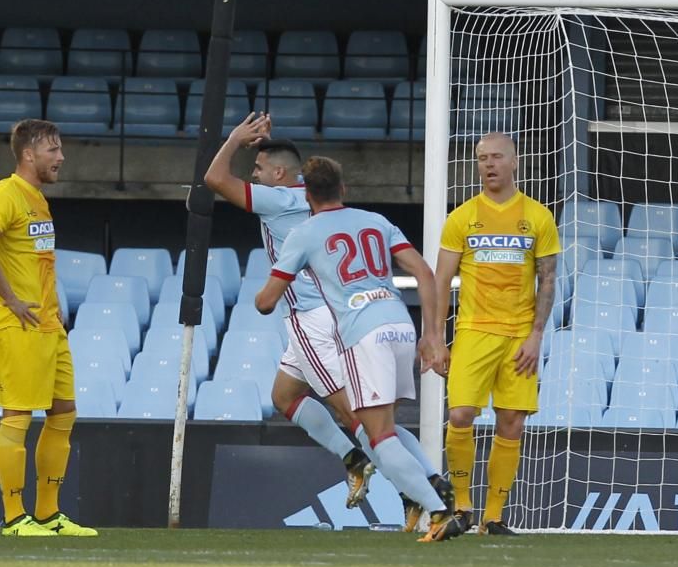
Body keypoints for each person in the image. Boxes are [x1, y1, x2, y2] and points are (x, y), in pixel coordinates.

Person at [206, 113, 449, 514]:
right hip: (335, 316)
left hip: (311, 320)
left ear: (280, 172)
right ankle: (356, 460)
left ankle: (425, 485)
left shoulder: (280, 198)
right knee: (285, 396)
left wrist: (234, 138)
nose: (253, 176)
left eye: (258, 169)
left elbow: (215, 179)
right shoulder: (320, 203)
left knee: (362, 419)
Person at [255, 155, 464, 542]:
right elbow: (424, 272)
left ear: (308, 196)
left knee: (378, 436)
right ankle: (429, 484)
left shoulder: (305, 232)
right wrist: (432, 336)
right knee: (378, 426)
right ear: (343, 189)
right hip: (401, 323)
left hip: (361, 332)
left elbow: (267, 301)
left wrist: (270, 289)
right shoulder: (377, 222)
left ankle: (436, 505)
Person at [0, 118, 96, 537]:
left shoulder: (39, 200)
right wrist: (10, 297)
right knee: (18, 416)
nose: (61, 157)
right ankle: (13, 517)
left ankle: (47, 514)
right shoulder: (8, 193)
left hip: (47, 323)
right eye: (53, 150)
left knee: (63, 414)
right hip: (18, 323)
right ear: (28, 155)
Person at [434, 132, 559, 536]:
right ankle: (462, 505)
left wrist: (537, 335)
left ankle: (494, 516)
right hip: (473, 330)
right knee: (460, 414)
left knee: (511, 422)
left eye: (496, 157)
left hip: (519, 335)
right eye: (482, 158)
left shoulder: (538, 216)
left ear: (514, 161)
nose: (488, 165)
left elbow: (549, 279)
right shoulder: (462, 217)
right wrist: (435, 337)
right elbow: (441, 279)